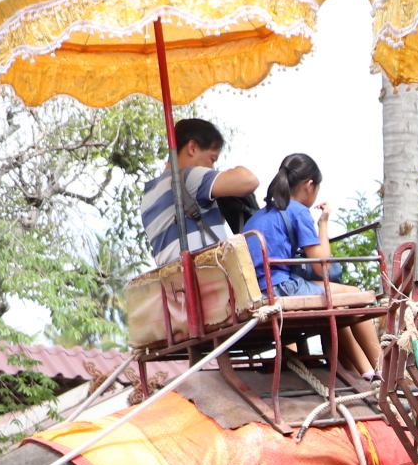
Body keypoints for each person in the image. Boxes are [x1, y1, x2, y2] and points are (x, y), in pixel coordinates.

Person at [241, 152, 382, 380]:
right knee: (357, 295)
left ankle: (365, 372)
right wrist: (323, 222)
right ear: (309, 185)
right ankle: (384, 368)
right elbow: (322, 267)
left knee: (339, 305)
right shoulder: (297, 210)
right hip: (279, 288)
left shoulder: (261, 214)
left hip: (259, 289)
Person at [140, 118, 258, 267]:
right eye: (212, 159)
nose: (212, 168)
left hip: (176, 282)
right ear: (192, 148)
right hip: (208, 276)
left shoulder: (148, 196)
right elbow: (248, 180)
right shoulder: (188, 177)